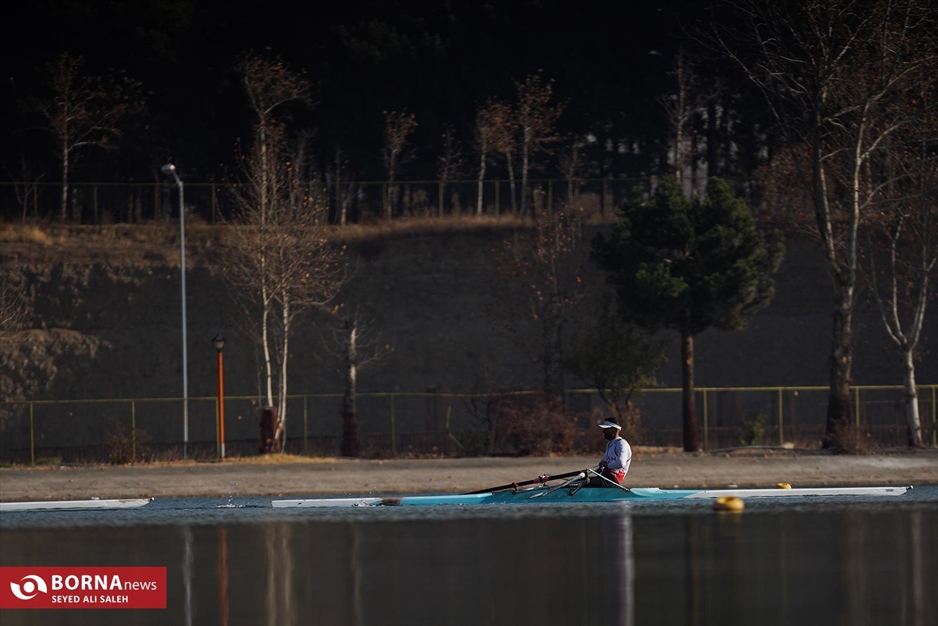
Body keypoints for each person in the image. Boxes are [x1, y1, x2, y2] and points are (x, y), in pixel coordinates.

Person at [591, 417, 631, 487]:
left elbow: (621, 463)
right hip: (605, 477)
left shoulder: (622, 444)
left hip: (613, 480)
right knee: (580, 480)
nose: (603, 431)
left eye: (607, 429)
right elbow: (602, 462)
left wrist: (607, 465)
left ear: (615, 430)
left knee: (583, 483)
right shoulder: (610, 444)